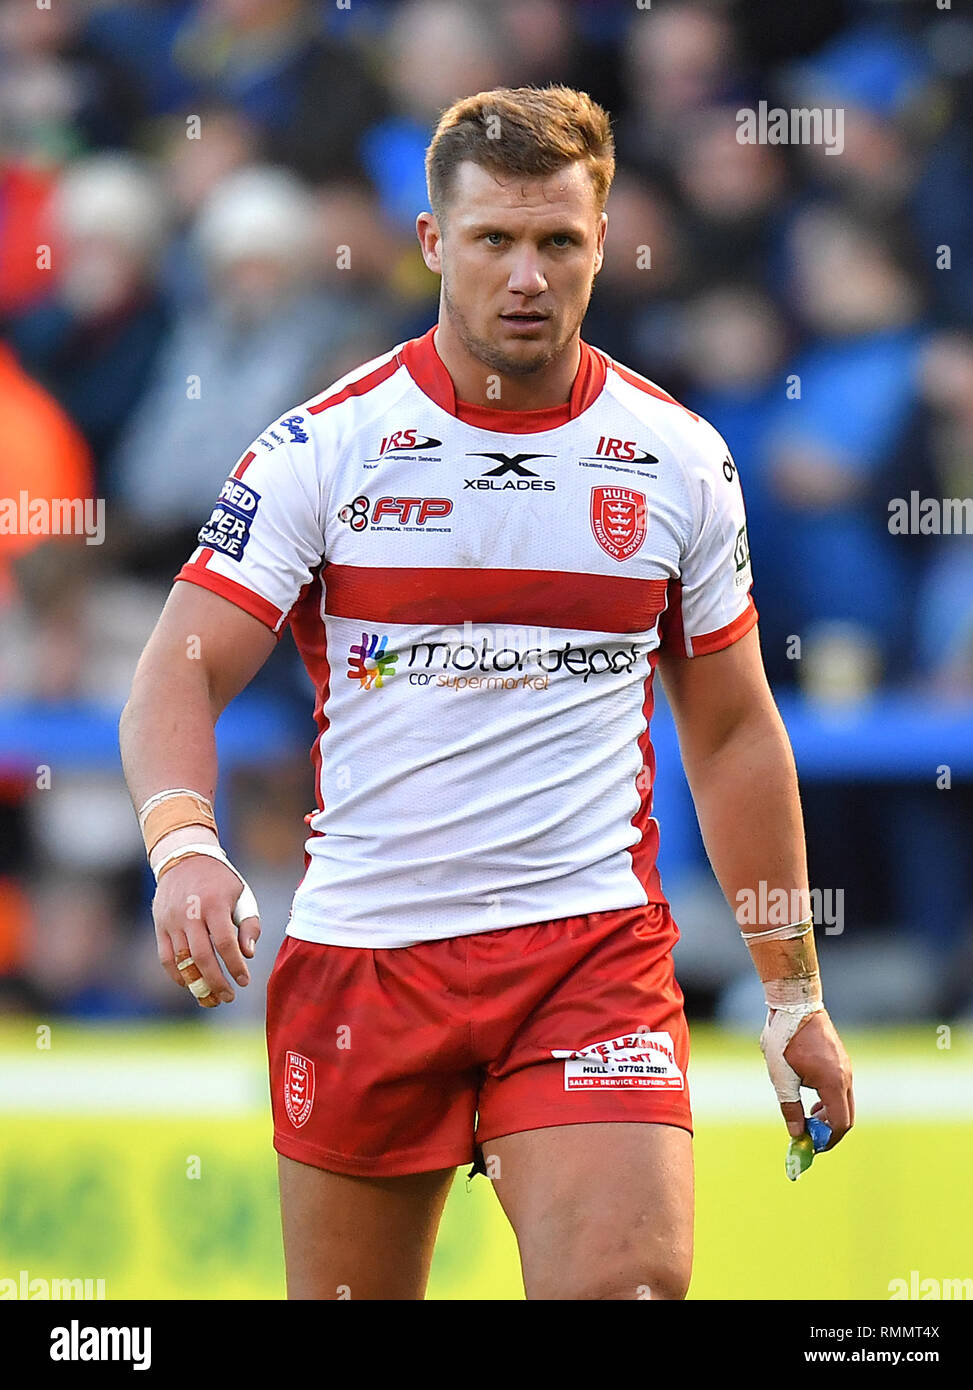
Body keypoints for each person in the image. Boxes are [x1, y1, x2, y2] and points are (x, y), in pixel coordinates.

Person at [119, 85, 854, 1301]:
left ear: (602, 245)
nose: (527, 275)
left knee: (627, 1288)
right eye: (493, 241)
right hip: (367, 960)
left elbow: (729, 734)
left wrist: (790, 995)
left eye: (558, 241)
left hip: (585, 957)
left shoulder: (675, 459)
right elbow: (179, 664)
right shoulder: (323, 447)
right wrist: (183, 842)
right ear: (430, 245)